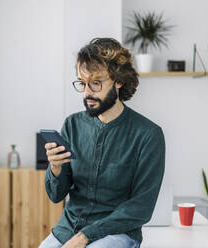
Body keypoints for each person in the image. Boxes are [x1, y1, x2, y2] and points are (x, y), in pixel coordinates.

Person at [39, 38, 165, 248]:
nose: (87, 92)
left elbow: (141, 208)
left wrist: (86, 236)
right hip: (67, 230)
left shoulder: (148, 135)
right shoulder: (72, 125)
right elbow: (56, 195)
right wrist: (55, 167)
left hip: (116, 234)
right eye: (82, 82)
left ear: (119, 80)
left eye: (96, 83)